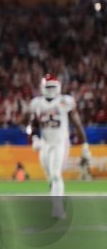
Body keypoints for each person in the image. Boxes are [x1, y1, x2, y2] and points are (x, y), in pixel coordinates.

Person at [28, 74, 91, 219]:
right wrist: (34, 138)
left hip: (60, 142)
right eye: (47, 87)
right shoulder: (37, 103)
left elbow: (77, 124)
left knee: (56, 174)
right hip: (45, 144)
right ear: (42, 88)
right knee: (50, 177)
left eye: (52, 87)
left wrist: (85, 144)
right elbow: (31, 125)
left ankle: (58, 209)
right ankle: (56, 204)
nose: (50, 90)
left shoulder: (65, 101)